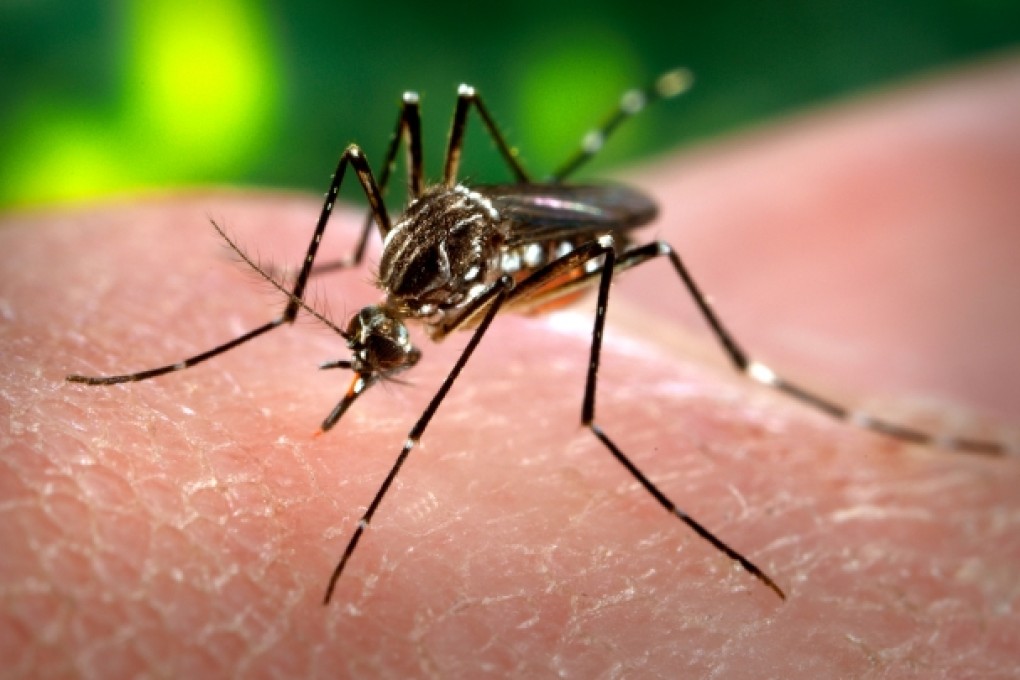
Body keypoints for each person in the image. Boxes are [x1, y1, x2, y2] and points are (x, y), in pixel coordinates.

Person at [2, 54, 1018, 677]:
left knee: (629, 243)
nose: (378, 351)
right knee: (390, 144)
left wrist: (403, 436)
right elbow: (397, 240)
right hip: (482, 232)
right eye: (372, 345)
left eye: (375, 348)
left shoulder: (451, 291)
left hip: (541, 250)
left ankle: (729, 387)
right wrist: (294, 305)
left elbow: (481, 299)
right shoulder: (402, 273)